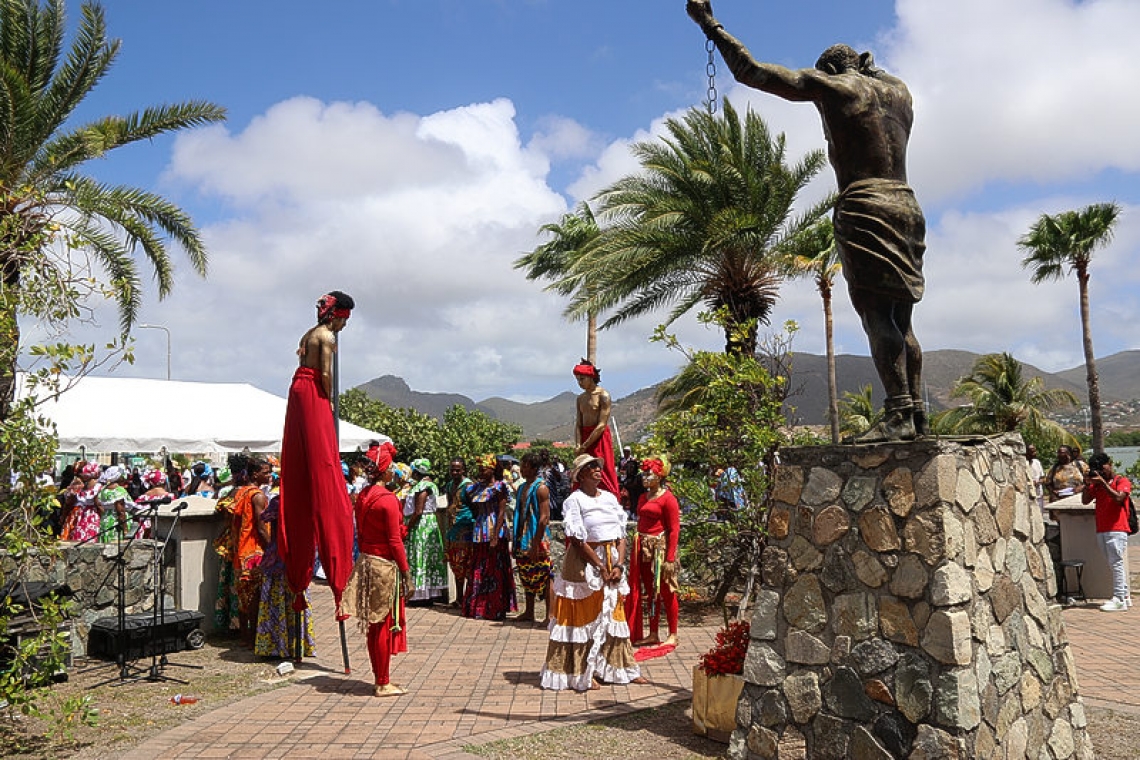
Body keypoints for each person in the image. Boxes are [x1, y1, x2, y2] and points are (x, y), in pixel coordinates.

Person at [688, 1, 927, 442]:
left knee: (877, 315)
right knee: (903, 320)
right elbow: (877, 75)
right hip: (908, 205)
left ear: (832, 70)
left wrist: (710, 24)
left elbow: (752, 71)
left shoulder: (835, 87)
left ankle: (898, 414)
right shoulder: (900, 92)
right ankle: (917, 414)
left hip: (866, 204)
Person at [279, 291, 358, 617]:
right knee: (322, 460)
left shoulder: (308, 334)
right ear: (337, 316)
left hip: (296, 389)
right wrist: (328, 401)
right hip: (311, 391)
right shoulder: (326, 336)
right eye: (343, 321)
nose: (343, 327)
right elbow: (325, 374)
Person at [540, 454, 646, 691]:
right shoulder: (574, 500)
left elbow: (621, 535)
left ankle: (620, 668)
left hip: (611, 558)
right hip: (584, 562)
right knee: (584, 615)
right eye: (591, 468)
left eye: (598, 467)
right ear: (581, 475)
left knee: (613, 613)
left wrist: (617, 565)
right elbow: (577, 539)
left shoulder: (609, 498)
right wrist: (600, 565)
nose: (598, 470)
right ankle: (582, 670)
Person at [340, 442, 412, 697]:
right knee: (382, 624)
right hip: (383, 567)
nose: (394, 470)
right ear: (383, 471)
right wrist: (406, 572)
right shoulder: (388, 500)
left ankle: (380, 677)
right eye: (391, 466)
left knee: (374, 625)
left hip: (366, 562)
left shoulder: (364, 497)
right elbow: (394, 540)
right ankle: (383, 681)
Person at [255, 487, 316, 658]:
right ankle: (284, 645)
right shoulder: (280, 502)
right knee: (281, 601)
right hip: (282, 560)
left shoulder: (294, 502)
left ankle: (285, 645)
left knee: (285, 602)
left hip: (291, 561)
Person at [627, 457, 681, 647]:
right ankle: (653, 632)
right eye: (644, 473)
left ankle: (673, 633)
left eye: (649, 474)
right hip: (643, 548)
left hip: (660, 549)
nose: (645, 477)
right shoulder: (643, 497)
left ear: (659, 476)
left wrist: (670, 558)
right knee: (651, 592)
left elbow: (674, 529)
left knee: (666, 590)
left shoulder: (668, 499)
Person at [462, 454, 517, 620]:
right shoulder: (476, 488)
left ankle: (494, 608)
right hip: (480, 529)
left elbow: (501, 511)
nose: (480, 471)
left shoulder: (500, 487)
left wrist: (495, 535)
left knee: (495, 569)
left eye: (483, 469)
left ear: (492, 469)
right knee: (479, 567)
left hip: (495, 529)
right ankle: (477, 607)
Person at [1081, 452, 1132, 611]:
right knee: (1112, 563)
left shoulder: (1121, 481)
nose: (1100, 473)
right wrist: (1087, 484)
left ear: (1109, 464)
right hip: (1102, 528)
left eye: (1102, 469)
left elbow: (1119, 498)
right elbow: (1085, 500)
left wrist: (1103, 483)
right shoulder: (1096, 484)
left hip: (1117, 528)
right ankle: (1124, 596)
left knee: (1116, 563)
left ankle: (1118, 599)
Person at [232, 456, 272, 646]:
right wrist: (272, 548)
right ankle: (255, 637)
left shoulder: (241, 492)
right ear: (255, 474)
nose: (269, 475)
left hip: (241, 550)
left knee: (243, 596)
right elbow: (261, 526)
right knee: (255, 596)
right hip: (254, 551)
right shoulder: (257, 495)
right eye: (266, 472)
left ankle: (244, 637)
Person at [512, 452, 553, 623]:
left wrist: (535, 544)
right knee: (526, 572)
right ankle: (529, 611)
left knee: (545, 575)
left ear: (534, 468)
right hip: (522, 535)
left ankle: (549, 614)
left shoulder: (541, 488)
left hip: (537, 537)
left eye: (525, 466)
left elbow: (544, 518)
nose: (521, 469)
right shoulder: (522, 487)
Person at [404, 459, 448, 604]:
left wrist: (407, 527)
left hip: (421, 526)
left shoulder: (422, 487)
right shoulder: (432, 485)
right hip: (430, 524)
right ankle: (427, 592)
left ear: (417, 472)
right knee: (427, 558)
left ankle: (419, 594)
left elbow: (418, 510)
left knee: (419, 556)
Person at [573, 360, 619, 495]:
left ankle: (610, 499)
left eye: (582, 379)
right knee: (582, 469)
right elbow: (578, 423)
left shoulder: (603, 396)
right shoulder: (580, 398)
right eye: (577, 380)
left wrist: (586, 445)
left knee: (603, 471)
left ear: (591, 377)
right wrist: (578, 444)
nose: (580, 383)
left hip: (599, 438)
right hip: (584, 436)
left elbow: (602, 424)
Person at [443, 458, 474, 607]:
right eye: (452, 469)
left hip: (466, 530)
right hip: (453, 531)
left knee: (467, 564)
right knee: (456, 564)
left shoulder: (468, 487)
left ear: (463, 470)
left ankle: (468, 598)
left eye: (457, 470)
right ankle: (459, 597)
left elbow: (474, 508)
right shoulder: (450, 485)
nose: (454, 472)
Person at [620, 446, 645, 514]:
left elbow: (636, 469)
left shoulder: (633, 459)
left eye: (627, 451)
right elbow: (620, 469)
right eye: (625, 451)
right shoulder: (621, 460)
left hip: (632, 479)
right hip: (624, 479)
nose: (626, 453)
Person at [1025, 444, 1046, 512]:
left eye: (1035, 451)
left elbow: (1043, 477)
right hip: (1028, 494)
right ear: (1026, 452)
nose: (1035, 453)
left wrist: (1039, 482)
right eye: (1032, 451)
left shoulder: (1037, 462)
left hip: (1038, 493)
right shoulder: (1023, 463)